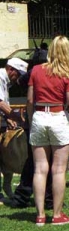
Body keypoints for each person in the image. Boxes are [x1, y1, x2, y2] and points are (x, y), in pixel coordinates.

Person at [27, 35, 69, 226]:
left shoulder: (36, 70)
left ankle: (40, 214)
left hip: (39, 115)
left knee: (40, 168)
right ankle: (57, 215)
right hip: (57, 116)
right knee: (58, 170)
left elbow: (30, 100)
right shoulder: (67, 73)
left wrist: (32, 121)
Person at [0, 57, 29, 205]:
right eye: (17, 74)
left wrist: (8, 118)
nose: (17, 79)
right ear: (11, 69)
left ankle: (5, 190)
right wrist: (15, 116)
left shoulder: (5, 81)